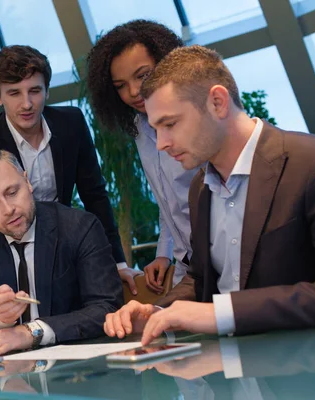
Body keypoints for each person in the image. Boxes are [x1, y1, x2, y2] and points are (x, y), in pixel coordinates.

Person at [104, 45, 315, 343]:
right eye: (156, 129)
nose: (161, 144)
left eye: (170, 124)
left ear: (217, 102)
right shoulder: (200, 188)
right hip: (232, 376)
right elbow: (200, 279)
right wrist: (156, 314)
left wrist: (224, 313)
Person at [0, 45, 139, 291]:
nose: (27, 104)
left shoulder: (71, 123)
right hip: (15, 253)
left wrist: (117, 263)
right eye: (14, 93)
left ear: (47, 90)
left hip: (67, 243)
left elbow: (94, 195)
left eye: (34, 91)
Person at [0, 149, 122, 356]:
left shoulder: (79, 228)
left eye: (12, 193)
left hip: (77, 368)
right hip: (15, 374)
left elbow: (106, 308)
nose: (8, 208)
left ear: (27, 182)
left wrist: (31, 332)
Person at [86, 20, 197, 293]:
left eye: (143, 76)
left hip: (222, 260)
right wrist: (164, 252)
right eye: (121, 85)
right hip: (187, 265)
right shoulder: (139, 128)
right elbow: (168, 198)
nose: (133, 92)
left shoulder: (197, 120)